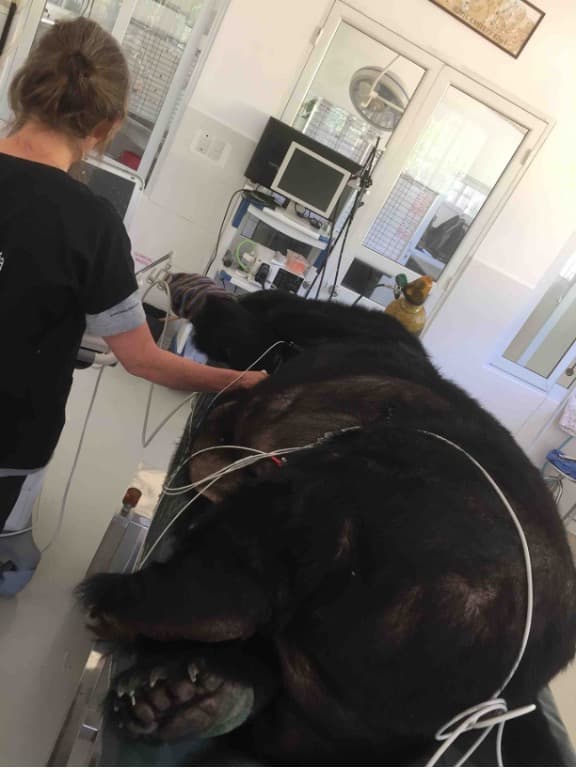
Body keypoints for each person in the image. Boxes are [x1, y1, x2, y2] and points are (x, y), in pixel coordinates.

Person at [0, 18, 266, 534]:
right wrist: (244, 381)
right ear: (108, 127)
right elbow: (144, 361)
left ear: (24, 85)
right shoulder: (91, 225)